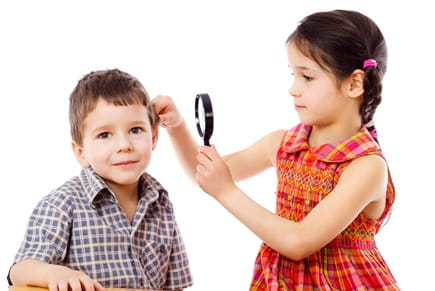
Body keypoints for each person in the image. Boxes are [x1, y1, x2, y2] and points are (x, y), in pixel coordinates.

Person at [153, 9, 399, 290]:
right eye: (294, 74)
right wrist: (177, 127)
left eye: (307, 77)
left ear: (354, 83)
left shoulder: (366, 166)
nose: (293, 89)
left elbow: (298, 242)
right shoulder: (284, 145)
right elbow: (205, 174)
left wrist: (226, 191)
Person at [8, 69, 193, 291]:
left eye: (135, 130)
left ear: (153, 137)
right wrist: (55, 273)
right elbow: (18, 271)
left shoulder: (161, 203)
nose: (124, 145)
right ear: (81, 152)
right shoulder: (63, 203)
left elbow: (175, 287)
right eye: (104, 135)